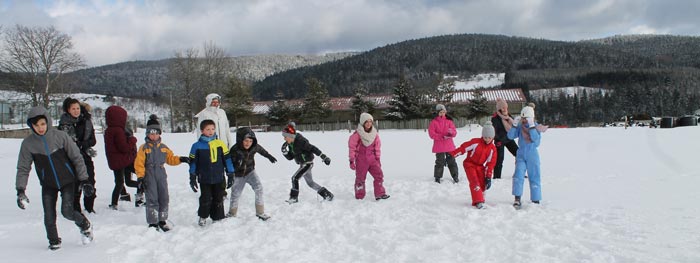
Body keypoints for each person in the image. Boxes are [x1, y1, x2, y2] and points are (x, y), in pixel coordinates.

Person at [15, 106, 95, 250]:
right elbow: (23, 168)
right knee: (49, 215)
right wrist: (21, 190)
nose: (40, 128)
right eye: (36, 125)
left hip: (68, 180)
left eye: (42, 124)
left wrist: (84, 180)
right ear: (31, 125)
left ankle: (85, 225)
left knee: (67, 212)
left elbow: (77, 157)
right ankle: (54, 242)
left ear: (48, 122)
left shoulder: (60, 136)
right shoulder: (28, 144)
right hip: (48, 183)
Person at [134, 115, 189, 231]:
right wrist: (140, 177)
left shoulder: (164, 147)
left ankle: (162, 220)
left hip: (160, 173)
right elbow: (139, 163)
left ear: (159, 134)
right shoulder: (143, 148)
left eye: (156, 133)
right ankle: (153, 222)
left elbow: (170, 159)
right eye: (151, 133)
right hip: (149, 174)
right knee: (152, 198)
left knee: (164, 197)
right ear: (147, 134)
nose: (154, 136)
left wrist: (181, 159)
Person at [189, 119, 235, 226]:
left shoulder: (220, 144)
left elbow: (227, 160)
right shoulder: (196, 146)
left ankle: (217, 217)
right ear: (202, 130)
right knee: (206, 198)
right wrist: (192, 176)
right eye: (208, 129)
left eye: (213, 129)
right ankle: (203, 216)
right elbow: (193, 163)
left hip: (219, 177)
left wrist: (230, 173)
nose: (211, 131)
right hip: (204, 178)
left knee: (218, 197)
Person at [58, 98, 98, 213]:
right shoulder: (64, 125)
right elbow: (66, 143)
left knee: (90, 181)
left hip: (85, 156)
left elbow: (93, 140)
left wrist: (82, 144)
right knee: (75, 184)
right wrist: (79, 146)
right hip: (71, 159)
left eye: (78, 108)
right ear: (68, 110)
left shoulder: (86, 121)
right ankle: (75, 208)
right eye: (73, 109)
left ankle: (89, 207)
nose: (76, 111)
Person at [227, 127, 276, 220]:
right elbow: (229, 164)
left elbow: (261, 150)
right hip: (238, 175)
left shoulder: (254, 146)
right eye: (246, 141)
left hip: (250, 172)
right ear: (240, 140)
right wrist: (237, 164)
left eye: (250, 141)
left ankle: (260, 212)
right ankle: (232, 213)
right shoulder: (235, 150)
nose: (248, 143)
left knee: (259, 188)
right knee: (235, 194)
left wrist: (269, 156)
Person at [281, 123, 334, 203]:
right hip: (303, 164)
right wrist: (285, 152)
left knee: (294, 178)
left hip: (307, 163)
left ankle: (293, 198)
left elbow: (313, 148)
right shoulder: (291, 144)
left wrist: (324, 157)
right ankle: (327, 195)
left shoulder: (300, 141)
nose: (284, 139)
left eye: (285, 137)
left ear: (291, 136)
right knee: (310, 183)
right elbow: (291, 157)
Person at [507, 103, 548, 209]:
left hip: (532, 154)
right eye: (522, 118)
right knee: (518, 175)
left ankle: (535, 198)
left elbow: (536, 141)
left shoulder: (536, 127)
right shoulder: (520, 127)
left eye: (526, 118)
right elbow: (510, 136)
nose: (524, 120)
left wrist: (532, 127)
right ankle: (517, 198)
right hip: (520, 154)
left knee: (534, 176)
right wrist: (514, 125)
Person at [450, 121, 497, 209]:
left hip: (480, 166)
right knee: (474, 181)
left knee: (482, 182)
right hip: (469, 164)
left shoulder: (492, 149)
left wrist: (488, 177)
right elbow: (463, 148)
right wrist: (452, 155)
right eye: (485, 137)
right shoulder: (476, 142)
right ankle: (478, 201)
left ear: (493, 137)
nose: (487, 139)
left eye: (489, 137)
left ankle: (481, 198)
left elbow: (490, 164)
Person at [104, 105, 144, 210]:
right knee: (139, 177)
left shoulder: (108, 130)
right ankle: (140, 196)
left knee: (119, 183)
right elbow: (124, 148)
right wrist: (132, 140)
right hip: (124, 160)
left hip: (115, 161)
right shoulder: (118, 131)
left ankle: (114, 203)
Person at [195, 93, 234, 198]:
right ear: (209, 102)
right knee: (212, 168)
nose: (215, 104)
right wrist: (202, 145)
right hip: (211, 146)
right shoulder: (204, 114)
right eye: (213, 102)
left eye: (217, 102)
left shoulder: (222, 112)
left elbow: (226, 129)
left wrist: (230, 143)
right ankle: (210, 189)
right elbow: (200, 130)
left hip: (223, 144)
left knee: (222, 168)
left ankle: (222, 191)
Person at [348, 113, 390, 201]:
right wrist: (352, 160)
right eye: (366, 122)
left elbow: (377, 147)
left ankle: (380, 193)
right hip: (361, 160)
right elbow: (352, 148)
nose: (369, 123)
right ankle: (360, 195)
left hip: (372, 159)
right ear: (363, 123)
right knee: (360, 178)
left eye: (370, 121)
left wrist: (377, 159)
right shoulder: (357, 134)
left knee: (379, 175)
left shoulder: (374, 134)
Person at [428, 104, 459, 183]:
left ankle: (455, 176)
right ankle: (437, 177)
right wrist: (441, 136)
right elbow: (432, 134)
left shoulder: (449, 121)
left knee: (452, 162)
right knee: (439, 162)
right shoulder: (434, 122)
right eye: (440, 112)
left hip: (449, 146)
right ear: (437, 113)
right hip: (439, 146)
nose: (442, 114)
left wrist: (451, 133)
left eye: (443, 112)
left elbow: (455, 132)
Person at [491, 98, 519, 179]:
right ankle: (496, 177)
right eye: (503, 107)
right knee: (499, 159)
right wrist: (498, 140)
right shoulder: (495, 118)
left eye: (506, 107)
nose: (505, 109)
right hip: (499, 141)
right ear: (499, 108)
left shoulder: (508, 116)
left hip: (509, 138)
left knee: (519, 154)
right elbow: (494, 131)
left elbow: (514, 125)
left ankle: (519, 173)